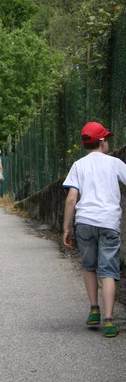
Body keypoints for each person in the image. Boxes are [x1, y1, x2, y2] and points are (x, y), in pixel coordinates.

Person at [62, 121, 126, 337]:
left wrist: (66, 228)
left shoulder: (78, 165)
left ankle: (93, 310)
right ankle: (109, 321)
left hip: (85, 221)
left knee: (89, 266)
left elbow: (72, 198)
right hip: (108, 222)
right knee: (108, 271)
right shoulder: (115, 163)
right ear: (102, 141)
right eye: (106, 138)